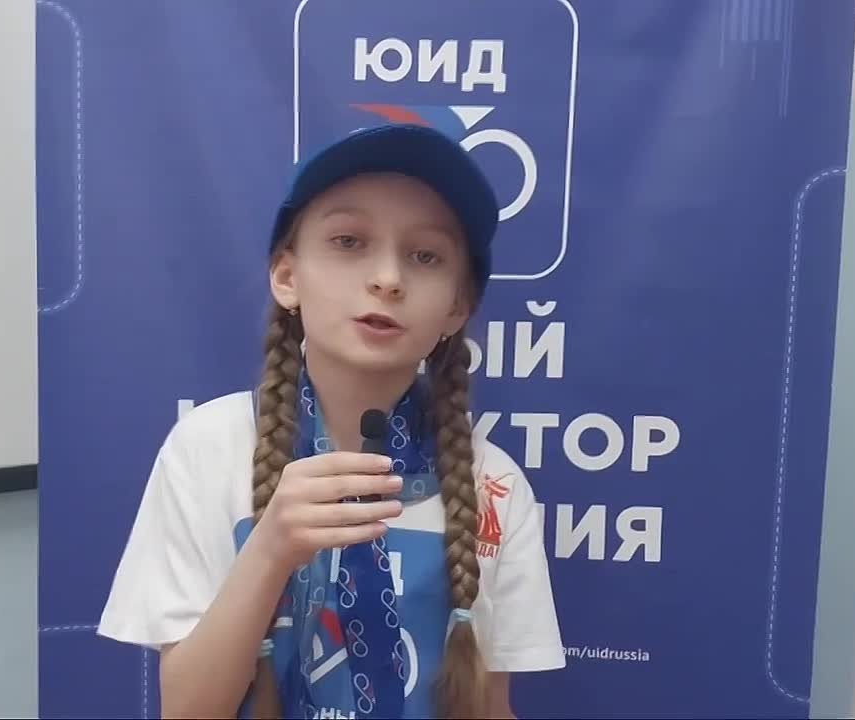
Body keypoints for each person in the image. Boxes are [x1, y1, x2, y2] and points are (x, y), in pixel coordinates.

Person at [97, 124, 565, 719]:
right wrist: (270, 551)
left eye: (425, 256)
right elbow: (187, 711)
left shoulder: (493, 482)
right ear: (287, 277)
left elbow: (490, 707)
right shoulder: (209, 447)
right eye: (349, 241)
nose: (388, 278)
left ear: (456, 307)